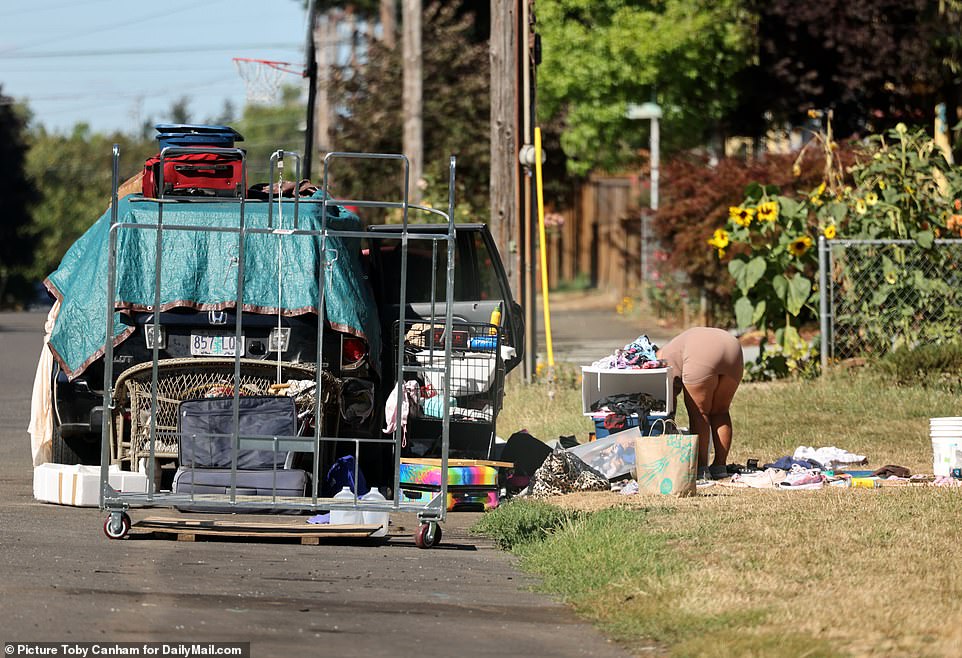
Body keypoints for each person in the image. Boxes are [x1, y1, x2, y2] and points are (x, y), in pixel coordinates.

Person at [656, 327, 743, 480]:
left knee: (699, 413)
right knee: (721, 411)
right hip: (733, 347)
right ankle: (719, 467)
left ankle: (701, 468)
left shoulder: (663, 358)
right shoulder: (677, 342)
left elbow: (668, 401)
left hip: (701, 354)